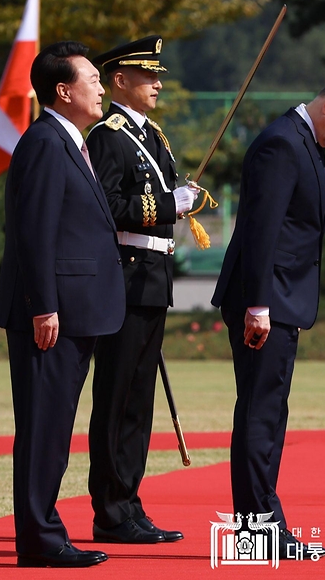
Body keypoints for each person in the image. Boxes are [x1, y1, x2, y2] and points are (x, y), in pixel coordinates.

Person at [211, 76, 325, 558]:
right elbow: (262, 228)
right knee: (261, 414)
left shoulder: (306, 141)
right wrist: (258, 305)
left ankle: (260, 525)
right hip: (265, 300)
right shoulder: (282, 144)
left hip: (283, 299)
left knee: (269, 412)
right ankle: (257, 530)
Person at [0, 41, 126, 568]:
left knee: (53, 427)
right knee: (43, 426)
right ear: (63, 90)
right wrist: (43, 306)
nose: (101, 86)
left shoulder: (71, 142)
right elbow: (34, 232)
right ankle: (41, 539)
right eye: (93, 78)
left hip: (75, 309)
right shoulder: (47, 142)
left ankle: (43, 534)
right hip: (52, 314)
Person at [84, 36, 198, 545]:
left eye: (158, 76)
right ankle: (109, 510)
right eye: (148, 76)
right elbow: (104, 204)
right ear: (119, 81)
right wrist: (168, 206)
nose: (157, 83)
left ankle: (129, 501)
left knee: (139, 400)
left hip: (153, 276)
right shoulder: (108, 136)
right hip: (125, 276)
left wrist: (182, 200)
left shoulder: (154, 136)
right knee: (116, 397)